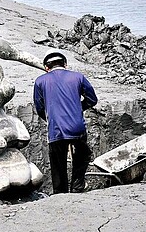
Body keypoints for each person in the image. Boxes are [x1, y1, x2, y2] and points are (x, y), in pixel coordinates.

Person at [33, 49, 98, 194]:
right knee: (82, 154)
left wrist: (52, 118)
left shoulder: (40, 81)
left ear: (46, 68)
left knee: (57, 163)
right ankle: (77, 187)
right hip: (77, 127)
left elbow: (39, 108)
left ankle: (60, 193)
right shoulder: (78, 77)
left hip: (55, 129)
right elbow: (92, 99)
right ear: (65, 64)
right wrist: (77, 108)